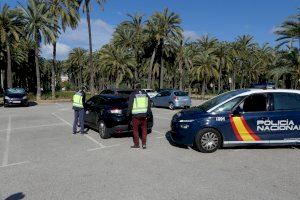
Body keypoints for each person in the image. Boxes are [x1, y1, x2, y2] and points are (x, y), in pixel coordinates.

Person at [127, 84, 151, 149]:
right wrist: (149, 114)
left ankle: (137, 144)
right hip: (144, 116)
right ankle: (144, 144)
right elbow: (149, 105)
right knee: (144, 130)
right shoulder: (145, 94)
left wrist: (127, 114)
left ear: (135, 88)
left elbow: (130, 105)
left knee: (135, 130)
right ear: (141, 88)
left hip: (135, 116)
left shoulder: (133, 94)